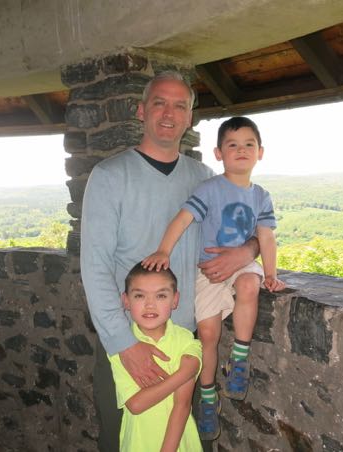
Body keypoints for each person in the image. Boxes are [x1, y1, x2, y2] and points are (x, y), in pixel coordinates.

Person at [80, 71, 259, 451]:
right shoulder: (110, 176)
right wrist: (123, 343)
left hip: (183, 341)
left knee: (186, 440)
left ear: (190, 117)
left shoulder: (205, 179)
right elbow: (94, 265)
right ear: (141, 111)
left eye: (180, 105)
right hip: (127, 338)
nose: (169, 112)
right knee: (122, 438)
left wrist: (247, 251)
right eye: (159, 102)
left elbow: (247, 231)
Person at [142, 116, 285, 440]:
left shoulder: (261, 195)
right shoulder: (209, 189)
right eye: (232, 145)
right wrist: (163, 251)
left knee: (250, 284)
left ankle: (240, 358)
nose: (241, 150)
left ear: (260, 152)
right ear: (218, 153)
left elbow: (267, 237)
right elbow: (182, 219)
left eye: (249, 144)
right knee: (207, 332)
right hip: (208, 268)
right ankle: (208, 396)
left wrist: (272, 274)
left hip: (242, 267)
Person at [109, 263, 202, 452]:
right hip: (138, 443)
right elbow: (136, 404)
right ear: (126, 301)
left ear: (175, 300)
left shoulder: (186, 341)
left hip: (180, 445)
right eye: (139, 295)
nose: (150, 304)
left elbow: (182, 405)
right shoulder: (121, 348)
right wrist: (183, 374)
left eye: (161, 295)